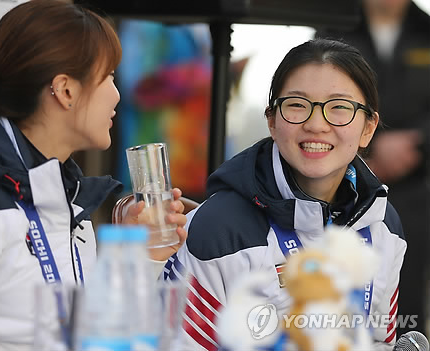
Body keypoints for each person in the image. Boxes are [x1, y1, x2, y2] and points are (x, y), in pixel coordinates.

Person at [0, 1, 187, 350]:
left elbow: (83, 335)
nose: (117, 94)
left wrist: (139, 257)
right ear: (66, 90)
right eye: (108, 77)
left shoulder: (65, 197)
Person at [163, 38, 407, 350]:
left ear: (368, 129)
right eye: (297, 105)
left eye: (339, 107)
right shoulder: (218, 229)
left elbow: (380, 342)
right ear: (272, 122)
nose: (316, 124)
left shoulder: (384, 225)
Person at [315, 0, 430, 335]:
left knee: (402, 310)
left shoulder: (426, 32)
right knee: (332, 302)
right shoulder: (331, 28)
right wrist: (370, 149)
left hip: (413, 189)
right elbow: (319, 93)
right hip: (341, 190)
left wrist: (418, 143)